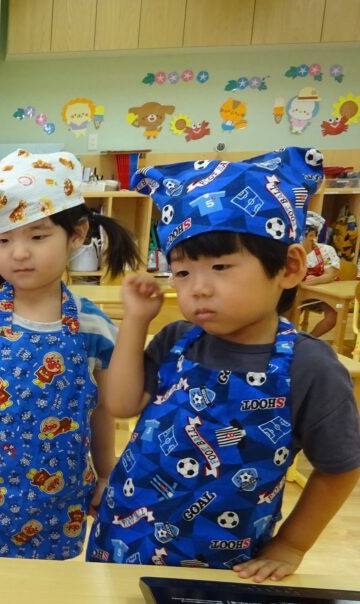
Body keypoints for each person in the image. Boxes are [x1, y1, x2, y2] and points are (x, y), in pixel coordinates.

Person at [86, 147, 360, 580]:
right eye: (182, 272)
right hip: (125, 539)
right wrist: (136, 321)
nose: (198, 288)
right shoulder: (177, 339)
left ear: (289, 268)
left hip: (224, 568)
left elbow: (340, 467)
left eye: (220, 266)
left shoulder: (309, 367)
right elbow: (120, 404)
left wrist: (292, 545)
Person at [0, 150, 140, 558]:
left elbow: (103, 410)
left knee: (48, 592)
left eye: (37, 236)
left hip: (59, 506)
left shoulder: (93, 327)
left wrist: (105, 472)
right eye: (4, 240)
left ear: (77, 234)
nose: (19, 253)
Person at [298, 210, 341, 339]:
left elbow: (330, 275)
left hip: (321, 296)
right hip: (296, 294)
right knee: (288, 314)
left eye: (298, 236)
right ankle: (289, 339)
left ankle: (309, 339)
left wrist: (317, 280)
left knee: (332, 317)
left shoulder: (326, 251)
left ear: (311, 235)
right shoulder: (289, 251)